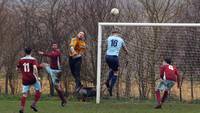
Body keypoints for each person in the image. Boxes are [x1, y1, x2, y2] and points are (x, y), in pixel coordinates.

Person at [17, 47, 41, 113]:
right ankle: (33, 104)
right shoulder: (33, 60)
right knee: (38, 91)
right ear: (31, 52)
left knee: (24, 94)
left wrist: (22, 72)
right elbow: (35, 68)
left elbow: (17, 68)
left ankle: (22, 108)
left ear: (25, 52)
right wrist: (37, 77)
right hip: (33, 79)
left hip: (25, 79)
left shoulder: (21, 60)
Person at [105, 28, 128, 96]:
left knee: (112, 69)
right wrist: (127, 52)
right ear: (118, 33)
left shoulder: (109, 38)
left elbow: (107, 44)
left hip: (107, 57)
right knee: (116, 72)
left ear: (112, 33)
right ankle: (111, 87)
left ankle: (107, 81)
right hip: (114, 57)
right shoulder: (121, 39)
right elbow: (125, 48)